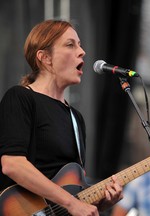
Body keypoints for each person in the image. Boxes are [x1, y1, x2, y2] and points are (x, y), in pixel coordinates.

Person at [0, 19, 123, 216]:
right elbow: (12, 164)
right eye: (70, 44)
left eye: (80, 44)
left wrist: (99, 203)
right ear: (45, 57)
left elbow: (72, 191)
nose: (82, 51)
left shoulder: (76, 118)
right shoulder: (20, 97)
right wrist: (71, 204)